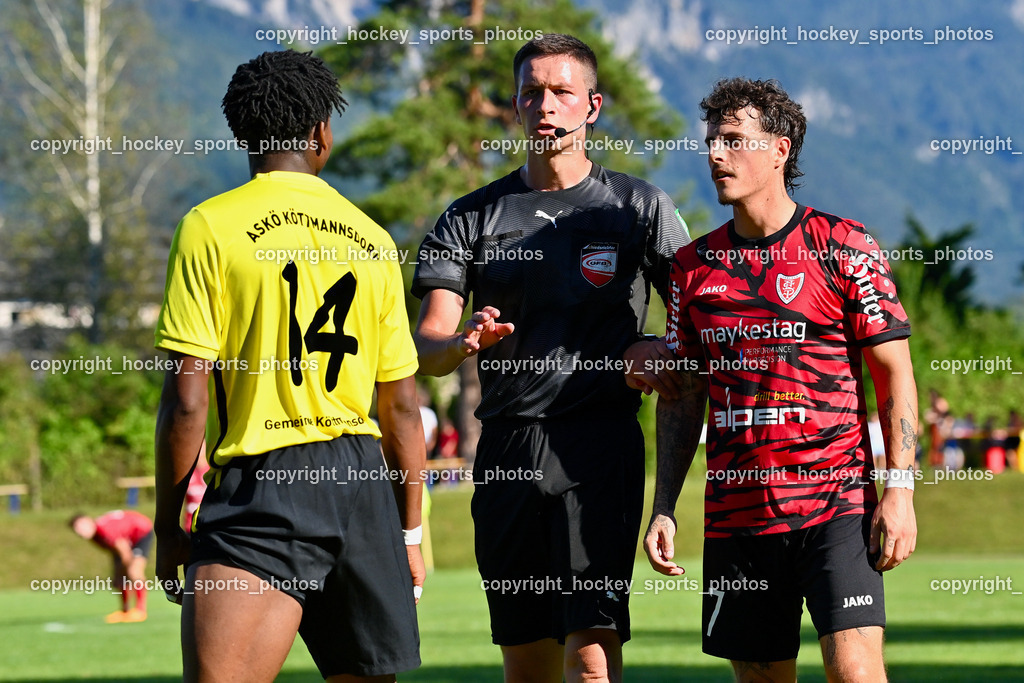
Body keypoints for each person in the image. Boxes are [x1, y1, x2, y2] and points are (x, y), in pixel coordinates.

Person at [412, 33, 690, 683]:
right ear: (515, 105)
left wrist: (657, 349)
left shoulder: (638, 208)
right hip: (505, 449)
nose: (546, 105)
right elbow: (427, 349)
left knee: (591, 659)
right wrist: (461, 342)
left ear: (592, 105)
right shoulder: (470, 217)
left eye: (562, 92)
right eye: (532, 92)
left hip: (599, 449)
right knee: (527, 663)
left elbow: (700, 321)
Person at [153, 50, 426, 683]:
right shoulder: (373, 239)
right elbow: (403, 408)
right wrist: (407, 534)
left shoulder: (209, 227)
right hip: (362, 484)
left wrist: (168, 528)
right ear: (321, 134)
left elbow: (188, 401)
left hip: (266, 483)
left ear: (242, 136)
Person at [644, 77, 918, 683]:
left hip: (837, 507)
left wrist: (899, 490)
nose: (715, 154)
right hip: (737, 516)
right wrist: (663, 507)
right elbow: (684, 396)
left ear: (780, 149)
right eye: (711, 140)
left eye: (733, 140)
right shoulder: (691, 268)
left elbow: (894, 372)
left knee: (856, 673)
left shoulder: (843, 245)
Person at [70, 510, 153, 623]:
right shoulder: (94, 537)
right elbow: (115, 550)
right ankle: (125, 611)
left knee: (134, 571)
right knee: (120, 577)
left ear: (89, 520)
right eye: (77, 529)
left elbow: (124, 550)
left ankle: (140, 611)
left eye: (81, 526)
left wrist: (124, 571)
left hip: (140, 533)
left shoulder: (104, 530)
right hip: (124, 541)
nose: (80, 531)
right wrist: (119, 573)